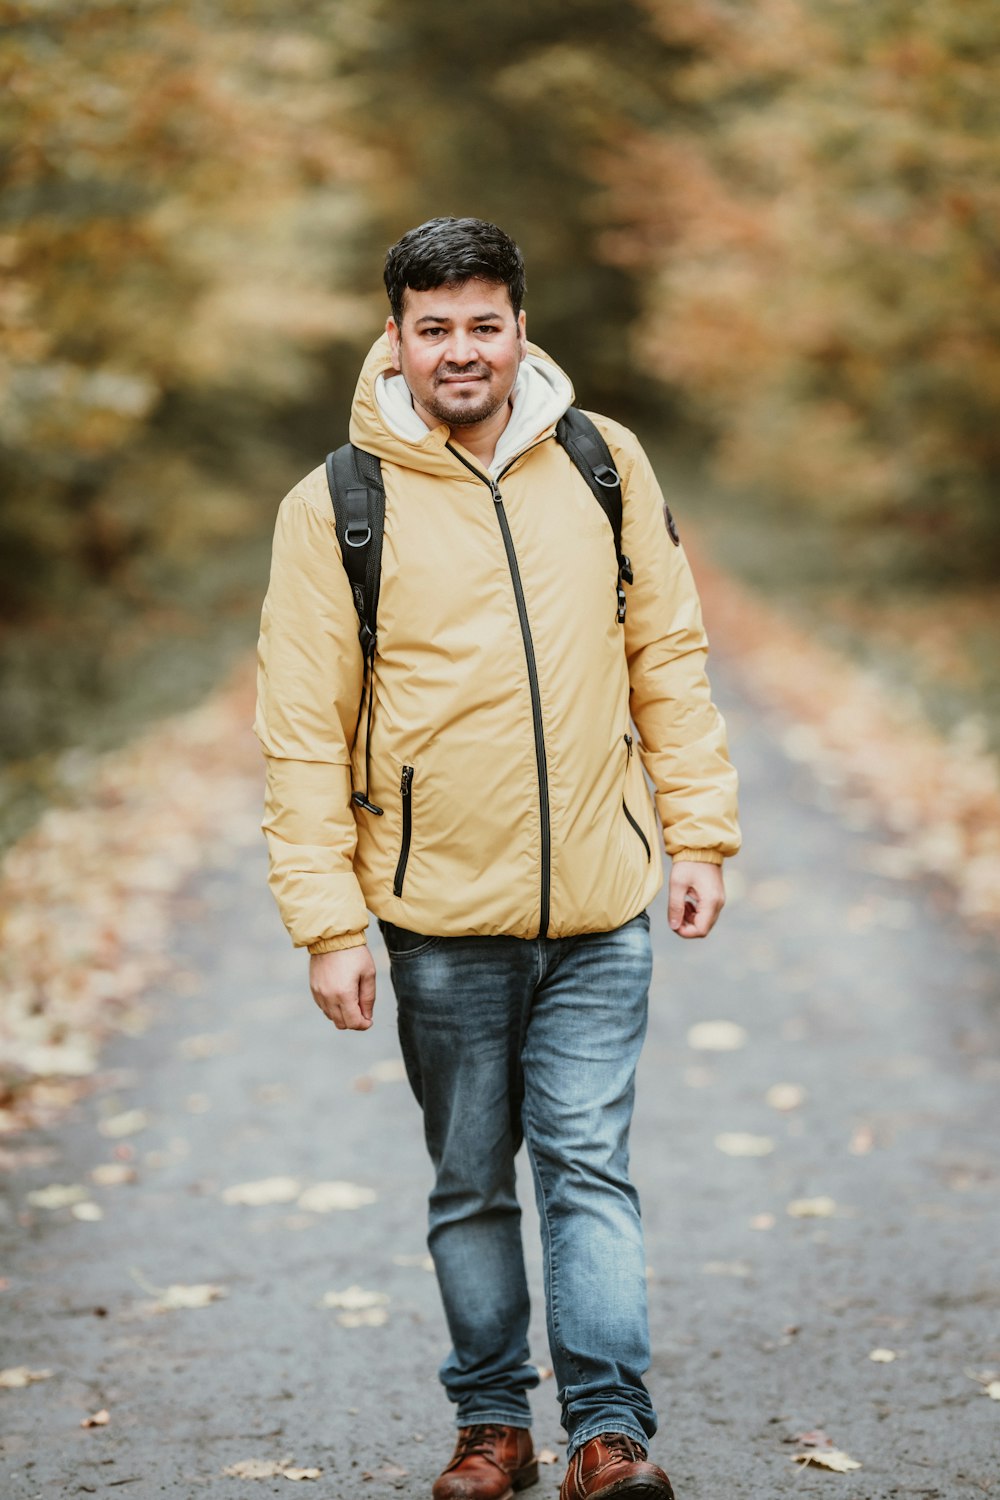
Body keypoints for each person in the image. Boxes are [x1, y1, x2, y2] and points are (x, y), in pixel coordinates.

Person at [254, 217, 740, 1500]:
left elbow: (667, 663)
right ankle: (491, 1426)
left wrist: (697, 830)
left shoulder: (602, 461)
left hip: (598, 900)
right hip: (434, 918)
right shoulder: (335, 506)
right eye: (434, 327)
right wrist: (325, 924)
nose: (460, 349)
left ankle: (607, 1434)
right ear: (396, 338)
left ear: (520, 325)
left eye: (483, 322)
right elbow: (303, 734)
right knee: (470, 1182)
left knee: (587, 1164)